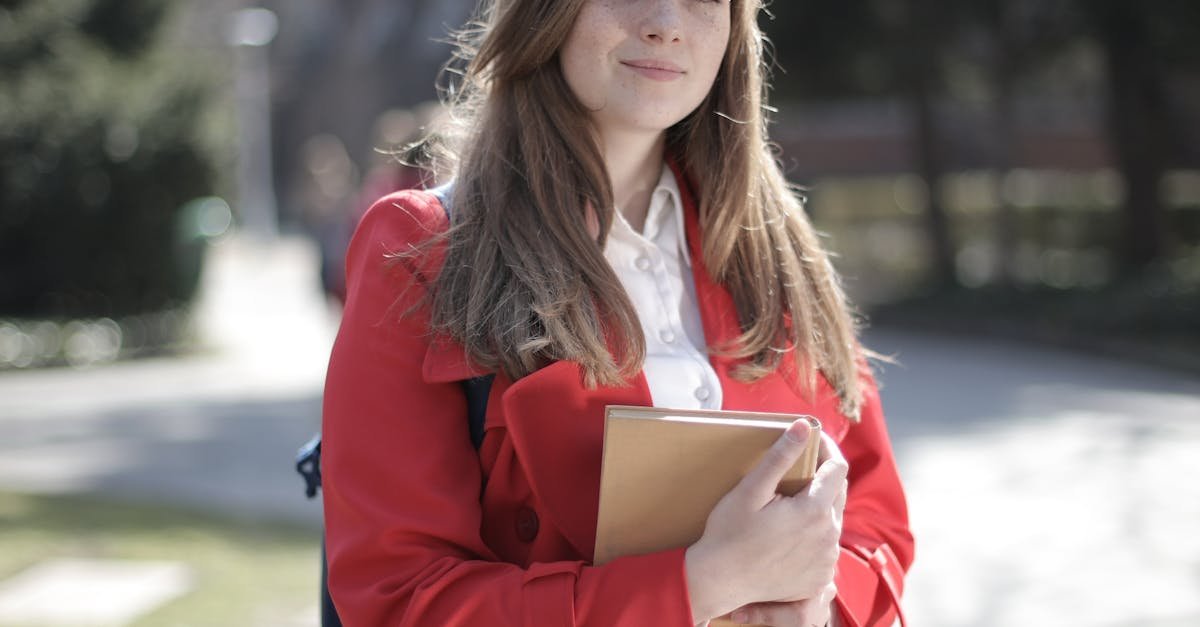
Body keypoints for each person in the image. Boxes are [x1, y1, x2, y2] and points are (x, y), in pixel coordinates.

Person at [321, 0, 914, 625]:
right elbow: (399, 597)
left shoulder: (778, 249)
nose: (666, 20)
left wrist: (816, 604)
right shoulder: (423, 249)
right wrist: (696, 588)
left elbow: (876, 528)